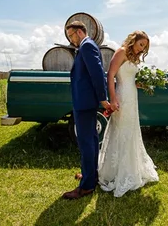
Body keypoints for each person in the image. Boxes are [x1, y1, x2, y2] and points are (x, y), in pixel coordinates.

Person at [97, 31, 159, 197]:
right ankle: (115, 172)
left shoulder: (133, 57)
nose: (142, 49)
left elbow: (131, 79)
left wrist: (142, 84)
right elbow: (110, 75)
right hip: (122, 97)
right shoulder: (121, 52)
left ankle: (131, 168)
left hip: (132, 96)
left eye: (144, 47)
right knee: (121, 131)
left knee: (131, 131)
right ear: (133, 40)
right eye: (141, 45)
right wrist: (113, 98)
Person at [62, 21, 110, 200]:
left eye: (71, 35)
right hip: (85, 102)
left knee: (86, 143)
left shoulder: (87, 46)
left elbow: (97, 73)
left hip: (85, 103)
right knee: (91, 140)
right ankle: (91, 175)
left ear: (79, 32)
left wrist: (102, 98)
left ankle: (87, 186)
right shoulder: (86, 46)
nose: (70, 39)